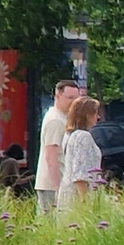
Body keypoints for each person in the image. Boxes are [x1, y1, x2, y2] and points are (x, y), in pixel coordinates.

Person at [34, 80, 79, 210]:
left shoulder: (63, 117)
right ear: (57, 96)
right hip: (51, 185)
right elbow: (51, 156)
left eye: (76, 98)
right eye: (70, 98)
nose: (73, 102)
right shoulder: (55, 121)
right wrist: (58, 188)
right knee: (51, 224)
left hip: (57, 183)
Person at [60, 96, 105, 206]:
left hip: (67, 194)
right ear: (87, 115)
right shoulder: (83, 136)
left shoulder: (70, 134)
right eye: (95, 113)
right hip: (79, 197)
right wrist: (85, 203)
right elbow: (80, 174)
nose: (98, 117)